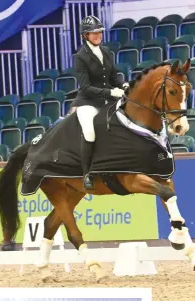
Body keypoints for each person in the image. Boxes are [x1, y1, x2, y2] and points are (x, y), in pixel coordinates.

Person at [72, 15, 126, 191]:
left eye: (99, 32)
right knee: (89, 132)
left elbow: (114, 75)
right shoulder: (80, 57)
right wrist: (110, 92)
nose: (98, 36)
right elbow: (86, 87)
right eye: (93, 33)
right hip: (88, 102)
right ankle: (87, 174)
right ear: (85, 36)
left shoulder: (107, 52)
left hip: (107, 100)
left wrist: (122, 84)